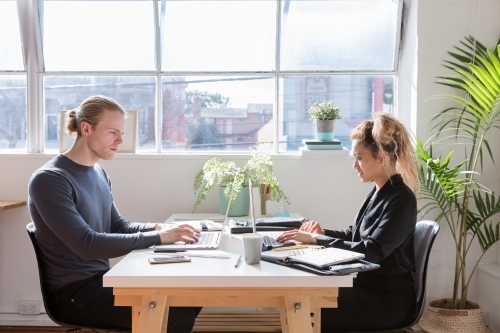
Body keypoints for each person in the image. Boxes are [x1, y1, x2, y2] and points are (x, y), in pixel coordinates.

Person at [28, 95, 202, 333]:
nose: (120, 140)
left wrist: (160, 229)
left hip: (103, 279)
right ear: (86, 128)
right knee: (176, 316)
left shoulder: (98, 172)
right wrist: (159, 238)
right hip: (73, 295)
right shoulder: (50, 179)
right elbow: (86, 244)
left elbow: (117, 225)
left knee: (190, 294)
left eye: (121, 133)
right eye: (113, 132)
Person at [276, 112, 418, 332]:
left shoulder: (402, 199)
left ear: (381, 157)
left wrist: (317, 239)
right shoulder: (378, 192)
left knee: (303, 305)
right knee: (299, 300)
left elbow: (372, 250)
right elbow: (354, 234)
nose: (355, 165)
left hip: (388, 301)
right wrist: (322, 233)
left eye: (359, 158)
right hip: (365, 289)